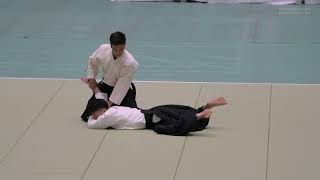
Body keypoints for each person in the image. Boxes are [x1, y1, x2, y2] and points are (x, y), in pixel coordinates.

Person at [82, 79, 227, 136]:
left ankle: (198, 116)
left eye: (95, 113)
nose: (94, 116)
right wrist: (94, 88)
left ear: (101, 111)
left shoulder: (107, 117)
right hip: (152, 111)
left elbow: (92, 125)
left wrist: (93, 117)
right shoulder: (112, 107)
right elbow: (101, 99)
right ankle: (203, 107)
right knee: (177, 111)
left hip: (153, 120)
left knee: (172, 127)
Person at [81, 31, 139, 122]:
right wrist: (91, 78)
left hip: (122, 92)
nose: (118, 52)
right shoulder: (103, 49)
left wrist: (108, 104)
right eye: (115, 49)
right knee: (87, 116)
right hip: (105, 86)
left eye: (121, 49)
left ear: (125, 45)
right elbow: (92, 62)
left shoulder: (130, 62)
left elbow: (122, 86)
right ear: (111, 46)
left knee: (131, 117)